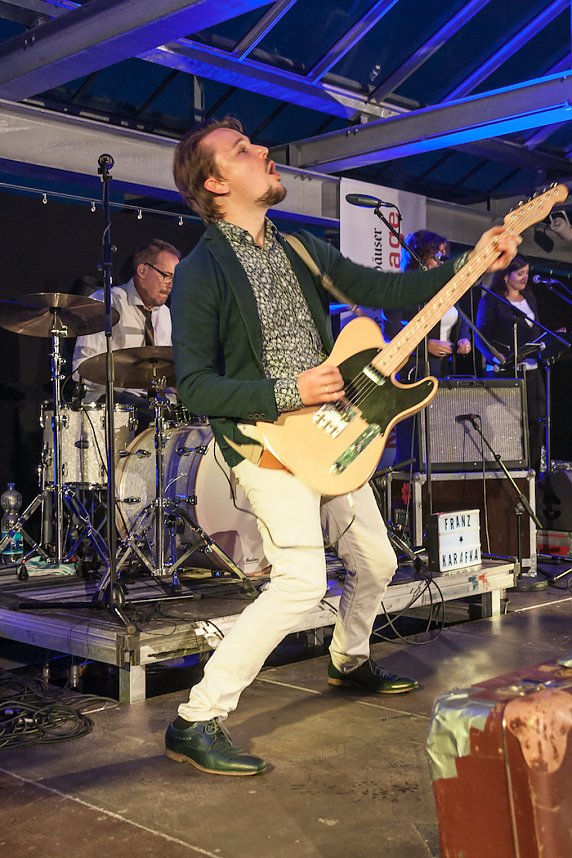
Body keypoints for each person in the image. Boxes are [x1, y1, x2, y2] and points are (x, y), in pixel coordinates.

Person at [166, 117, 520, 777]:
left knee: (378, 562)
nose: (263, 149)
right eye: (242, 150)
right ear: (214, 183)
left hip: (330, 436)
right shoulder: (200, 270)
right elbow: (194, 385)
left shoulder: (299, 247)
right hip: (267, 442)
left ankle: (348, 659)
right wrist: (289, 389)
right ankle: (196, 718)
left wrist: (472, 263)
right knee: (300, 581)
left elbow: (388, 291)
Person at [72, 238, 181, 407]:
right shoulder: (106, 303)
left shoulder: (165, 314)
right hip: (113, 403)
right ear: (142, 270)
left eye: (175, 278)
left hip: (156, 403)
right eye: (166, 276)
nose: (170, 285)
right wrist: (130, 377)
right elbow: (82, 369)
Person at [475, 253, 546, 473]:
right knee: (508, 425)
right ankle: (509, 473)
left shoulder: (530, 298)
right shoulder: (491, 300)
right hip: (505, 373)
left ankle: (533, 473)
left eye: (527, 273)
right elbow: (480, 337)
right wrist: (496, 357)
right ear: (505, 276)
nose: (525, 277)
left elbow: (536, 330)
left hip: (532, 371)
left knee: (536, 422)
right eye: (520, 273)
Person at [382, 229, 472, 380]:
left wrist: (464, 338)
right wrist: (425, 345)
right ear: (420, 257)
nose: (441, 261)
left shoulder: (446, 288)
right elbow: (391, 332)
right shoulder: (399, 289)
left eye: (443, 255)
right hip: (411, 370)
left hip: (444, 369)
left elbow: (461, 319)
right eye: (436, 255)